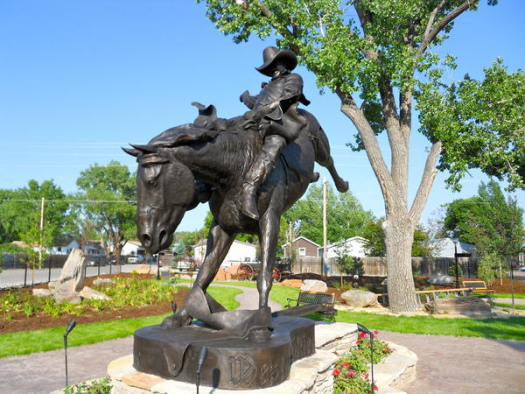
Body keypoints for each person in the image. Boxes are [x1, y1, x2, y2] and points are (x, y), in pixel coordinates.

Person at [239, 46, 311, 220]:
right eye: (270, 66)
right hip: (254, 123)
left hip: (277, 125)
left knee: (274, 144)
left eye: (276, 64)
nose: (274, 68)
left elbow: (289, 96)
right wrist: (247, 98)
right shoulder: (267, 87)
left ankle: (249, 189)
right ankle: (205, 186)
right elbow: (256, 103)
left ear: (284, 63)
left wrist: (263, 111)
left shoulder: (294, 79)